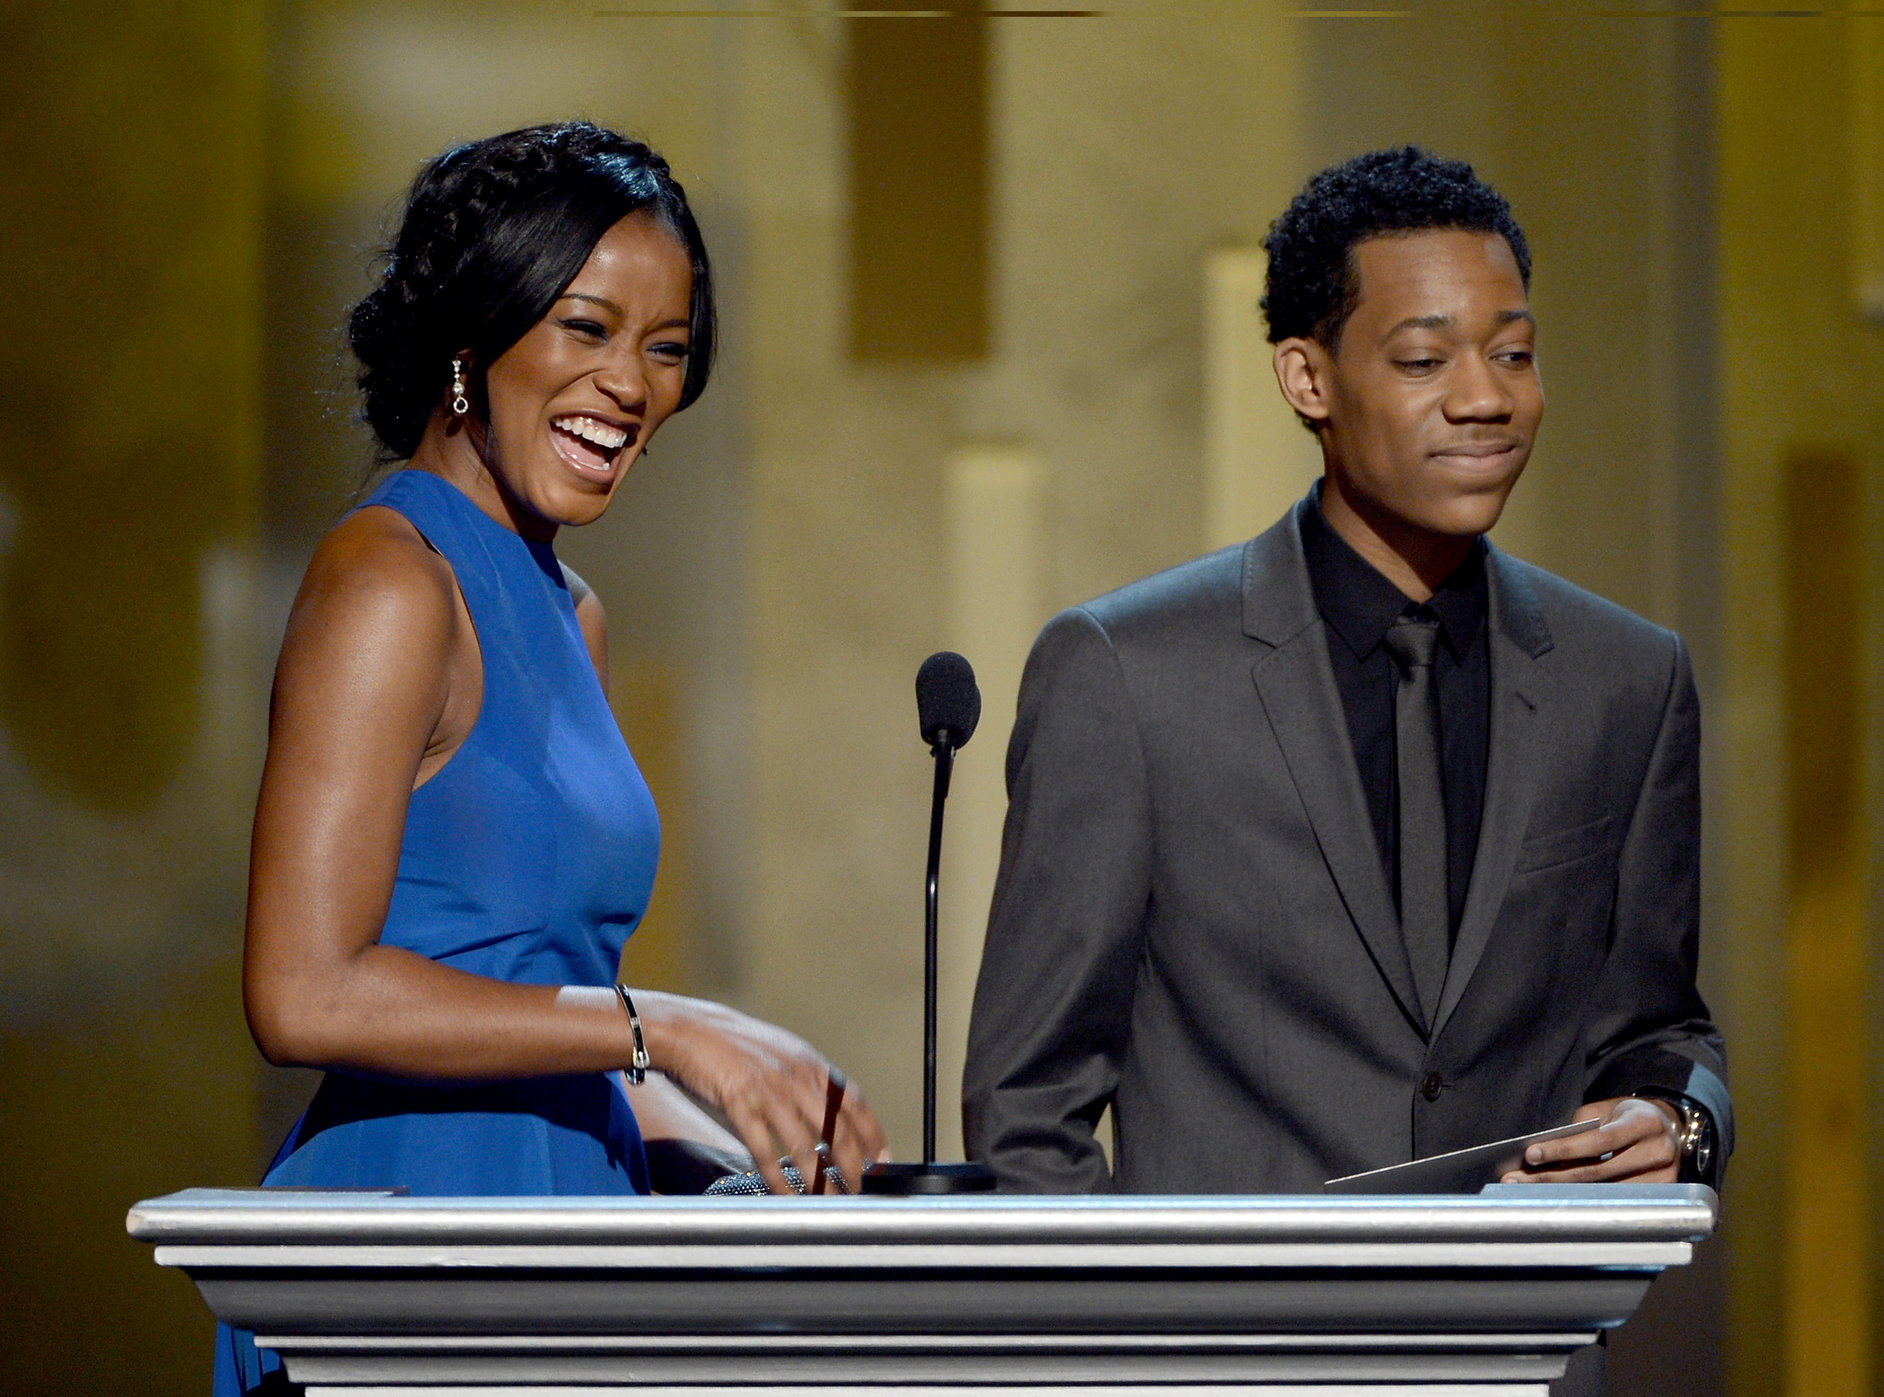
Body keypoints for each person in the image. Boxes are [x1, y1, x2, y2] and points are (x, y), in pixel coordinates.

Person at [218, 123, 888, 1395]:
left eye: (667, 348)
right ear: (475, 339)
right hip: (408, 1253)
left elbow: (544, 1008)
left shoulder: (569, 609)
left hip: (572, 1233)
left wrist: (756, 1142)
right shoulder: (388, 577)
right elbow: (301, 990)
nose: (630, 383)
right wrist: (675, 1028)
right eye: (587, 327)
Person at [962, 147, 1729, 1204]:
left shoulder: (1628, 679)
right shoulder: (1128, 676)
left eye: (1513, 355)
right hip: (1226, 1356)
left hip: (1520, 1348)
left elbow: (1658, 1025)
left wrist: (1681, 1117)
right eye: (1425, 362)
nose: (1484, 400)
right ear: (1306, 378)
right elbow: (1026, 1104)